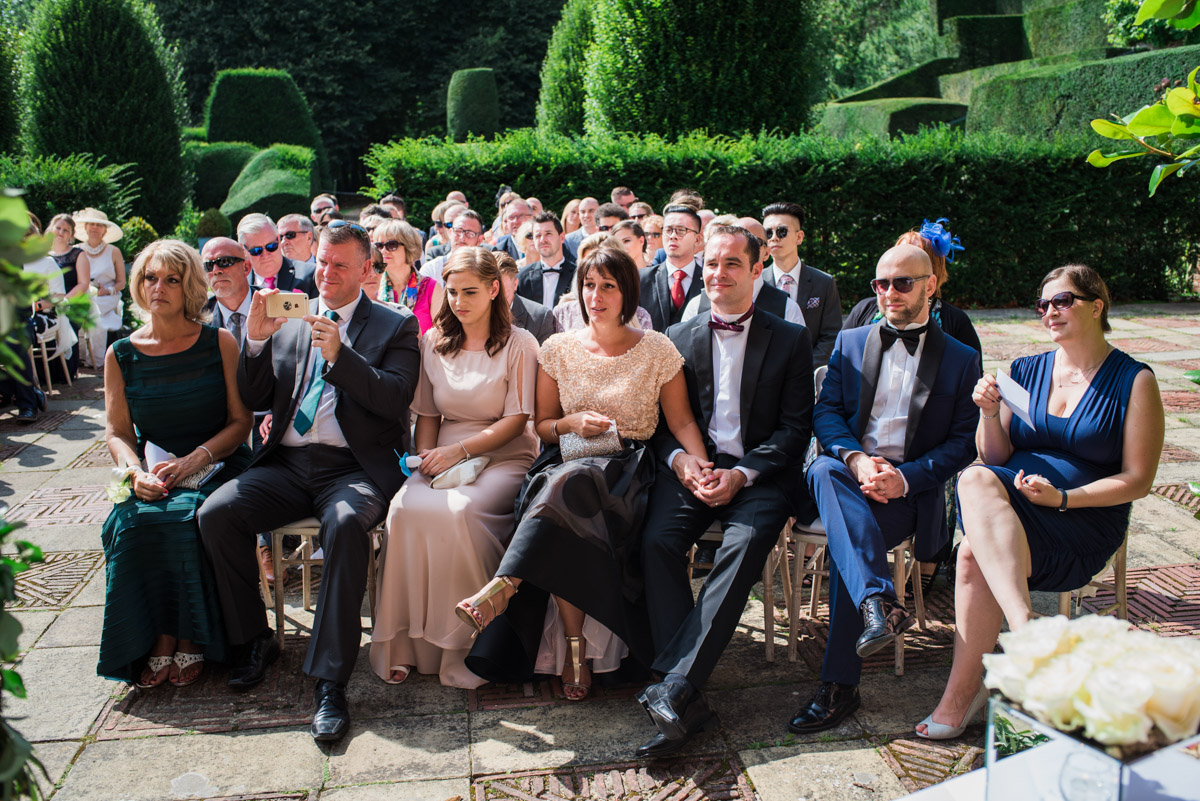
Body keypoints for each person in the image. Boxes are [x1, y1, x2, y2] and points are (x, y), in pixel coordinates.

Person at [916, 265, 1163, 740]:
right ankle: (1026, 628)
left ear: (1096, 306)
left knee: (970, 554)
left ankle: (963, 694)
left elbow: (1138, 480)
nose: (1050, 311)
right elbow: (995, 456)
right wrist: (989, 413)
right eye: (1044, 304)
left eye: (1063, 301)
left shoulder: (1135, 381)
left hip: (1082, 521)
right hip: (1012, 507)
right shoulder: (1024, 371)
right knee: (975, 478)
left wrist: (1064, 497)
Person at [199, 221, 421, 743]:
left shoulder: (396, 325)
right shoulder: (292, 317)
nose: (325, 273)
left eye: (340, 265)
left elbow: (393, 399)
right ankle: (255, 639)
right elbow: (254, 399)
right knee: (216, 514)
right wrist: (255, 342)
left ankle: (330, 681)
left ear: (367, 269)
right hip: (289, 464)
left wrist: (342, 357)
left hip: (354, 469)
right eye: (322, 261)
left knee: (345, 527)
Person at [458, 246, 709, 699]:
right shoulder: (557, 348)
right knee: (566, 489)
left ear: (627, 292)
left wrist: (701, 464)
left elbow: (682, 422)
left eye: (608, 286)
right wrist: (571, 423)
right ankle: (574, 649)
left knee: (570, 488)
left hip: (627, 467)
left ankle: (506, 583)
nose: (596, 296)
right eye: (589, 286)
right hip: (566, 457)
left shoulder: (656, 349)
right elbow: (544, 427)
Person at [636, 225, 814, 757]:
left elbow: (794, 428)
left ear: (757, 270)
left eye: (732, 264)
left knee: (738, 551)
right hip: (697, 471)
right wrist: (682, 461)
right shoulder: (678, 338)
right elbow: (661, 423)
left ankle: (676, 687)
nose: (718, 274)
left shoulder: (789, 337)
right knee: (657, 543)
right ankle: (684, 691)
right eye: (711, 264)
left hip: (761, 477)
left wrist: (744, 473)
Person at [788, 244, 980, 735]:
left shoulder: (960, 359)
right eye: (880, 284)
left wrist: (905, 477)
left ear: (930, 286)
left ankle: (840, 686)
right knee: (825, 472)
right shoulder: (850, 343)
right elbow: (825, 413)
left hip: (909, 494)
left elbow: (964, 443)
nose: (888, 293)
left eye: (902, 283)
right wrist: (855, 459)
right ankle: (879, 603)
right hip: (846, 477)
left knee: (854, 545)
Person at [371, 248, 539, 688]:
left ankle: (470, 647)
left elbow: (517, 419)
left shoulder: (520, 343)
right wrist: (424, 465)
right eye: (451, 291)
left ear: (493, 290)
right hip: (442, 454)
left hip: (505, 453)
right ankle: (405, 644)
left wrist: (459, 453)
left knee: (461, 513)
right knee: (404, 509)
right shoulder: (433, 341)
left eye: (469, 291)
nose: (459, 301)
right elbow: (427, 414)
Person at [98, 240, 253, 687]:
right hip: (153, 467)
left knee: (190, 518)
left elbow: (241, 421)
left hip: (217, 460)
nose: (159, 287)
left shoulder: (218, 342)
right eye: (150, 277)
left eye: (171, 279)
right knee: (131, 521)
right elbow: (118, 433)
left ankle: (191, 639)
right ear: (138, 284)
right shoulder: (120, 354)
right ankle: (155, 638)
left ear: (188, 286)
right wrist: (133, 473)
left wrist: (197, 458)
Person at [843, 219, 981, 363]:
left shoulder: (955, 321)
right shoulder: (863, 310)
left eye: (904, 281)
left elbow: (972, 377)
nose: (890, 293)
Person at [760, 202, 841, 367]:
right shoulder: (756, 281)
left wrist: (805, 368)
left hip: (809, 372)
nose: (774, 237)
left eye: (781, 231)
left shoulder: (824, 282)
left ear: (799, 237)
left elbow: (831, 335)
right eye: (768, 233)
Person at [73, 207, 125, 370]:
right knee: (97, 320)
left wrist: (107, 291)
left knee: (93, 311)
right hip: (85, 294)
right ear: (86, 227)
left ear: (105, 230)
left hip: (108, 296)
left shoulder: (113, 251)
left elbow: (122, 282)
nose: (95, 228)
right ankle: (85, 359)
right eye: (92, 224)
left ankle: (95, 360)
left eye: (99, 225)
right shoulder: (77, 250)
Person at [639, 205, 705, 332]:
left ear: (697, 239)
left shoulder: (709, 281)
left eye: (681, 230)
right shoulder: (641, 278)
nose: (673, 236)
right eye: (668, 230)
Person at [372, 218, 441, 335]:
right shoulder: (373, 286)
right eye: (379, 246)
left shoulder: (431, 288)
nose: (384, 251)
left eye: (391, 245)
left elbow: (442, 335)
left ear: (409, 247)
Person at [47, 214, 90, 375]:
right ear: (51, 229)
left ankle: (65, 371)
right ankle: (44, 373)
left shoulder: (78, 254)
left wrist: (63, 301)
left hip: (72, 301)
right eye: (58, 227)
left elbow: (83, 284)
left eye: (66, 230)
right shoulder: (45, 255)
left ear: (71, 235)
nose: (61, 232)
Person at [237, 214, 317, 297]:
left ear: (279, 240)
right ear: (243, 250)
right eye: (256, 251)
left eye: (271, 246)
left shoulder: (310, 274)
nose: (265, 254)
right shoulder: (238, 285)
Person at [516, 212, 576, 307]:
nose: (543, 240)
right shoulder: (522, 277)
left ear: (562, 237)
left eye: (548, 234)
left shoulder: (578, 274)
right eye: (538, 235)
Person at [498, 253, 556, 344]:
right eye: (491, 290)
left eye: (502, 292)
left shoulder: (540, 319)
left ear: (515, 285)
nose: (495, 297)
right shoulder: (475, 313)